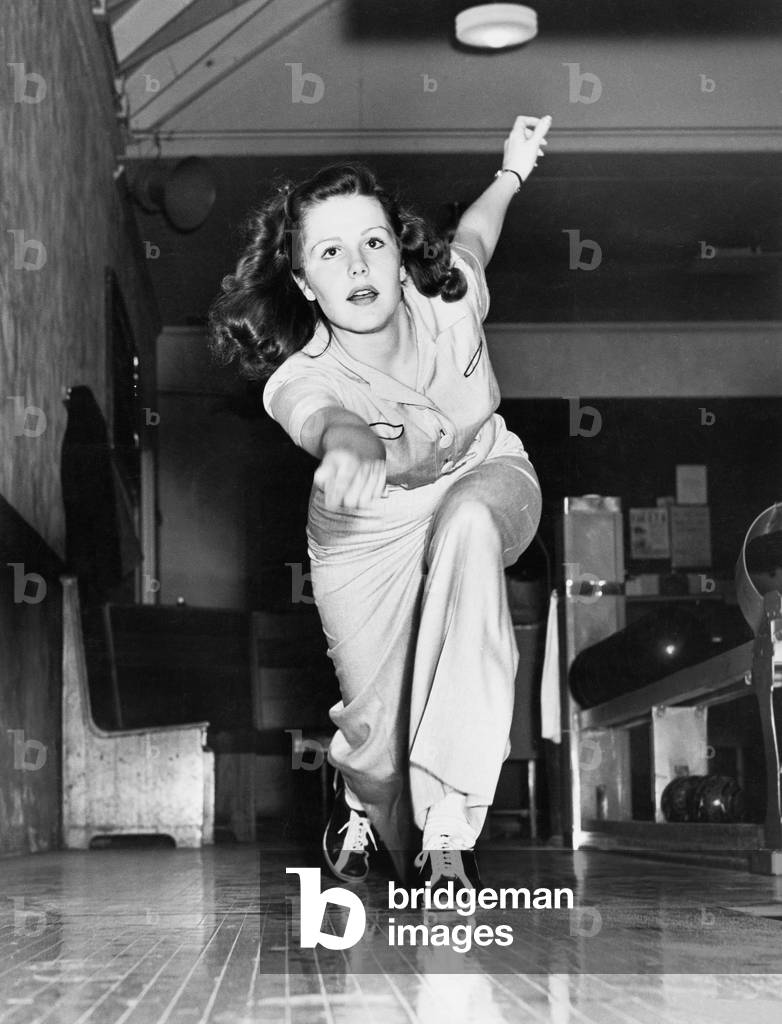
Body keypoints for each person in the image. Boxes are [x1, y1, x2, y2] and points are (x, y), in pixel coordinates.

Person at [209, 114, 551, 895]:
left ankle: (448, 832)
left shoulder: (451, 296)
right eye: (329, 252)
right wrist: (350, 441)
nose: (357, 263)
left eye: (373, 241)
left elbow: (478, 231)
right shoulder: (302, 375)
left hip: (484, 473)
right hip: (364, 526)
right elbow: (318, 418)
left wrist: (513, 171)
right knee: (378, 735)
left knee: (467, 525)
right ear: (304, 282)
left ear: (400, 254)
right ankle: (360, 794)